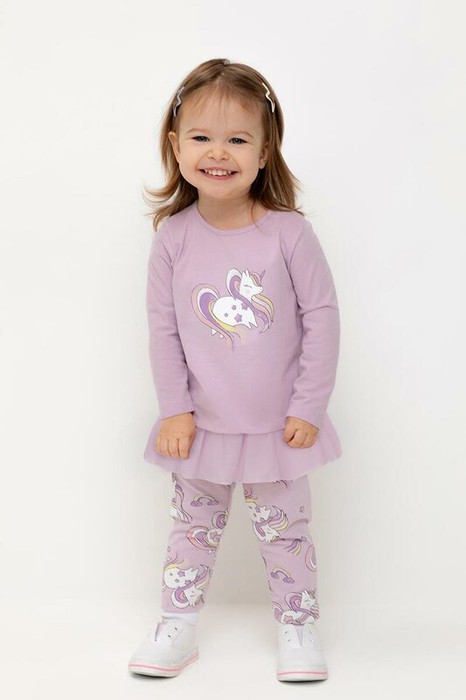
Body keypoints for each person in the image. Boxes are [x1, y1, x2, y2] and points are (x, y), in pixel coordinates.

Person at [128, 57, 342, 683]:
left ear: (265, 151)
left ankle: (298, 626)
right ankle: (177, 624)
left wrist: (308, 405)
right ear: (176, 145)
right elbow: (164, 330)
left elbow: (322, 318)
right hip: (202, 428)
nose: (218, 153)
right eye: (201, 137)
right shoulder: (173, 237)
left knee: (286, 533)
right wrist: (175, 409)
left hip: (279, 427)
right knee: (192, 530)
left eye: (238, 139)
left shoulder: (288, 233)